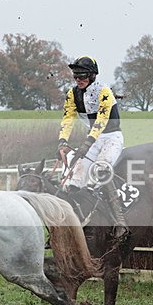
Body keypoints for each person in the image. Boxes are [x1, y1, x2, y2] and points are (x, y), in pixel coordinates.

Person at [56, 55, 128, 240]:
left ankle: (120, 222)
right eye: (76, 76)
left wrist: (87, 143)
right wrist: (62, 142)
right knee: (77, 175)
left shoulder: (104, 92)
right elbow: (68, 119)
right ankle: (70, 223)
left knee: (101, 168)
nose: (79, 80)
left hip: (111, 137)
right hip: (94, 138)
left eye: (82, 76)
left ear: (93, 75)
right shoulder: (72, 94)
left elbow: (102, 121)